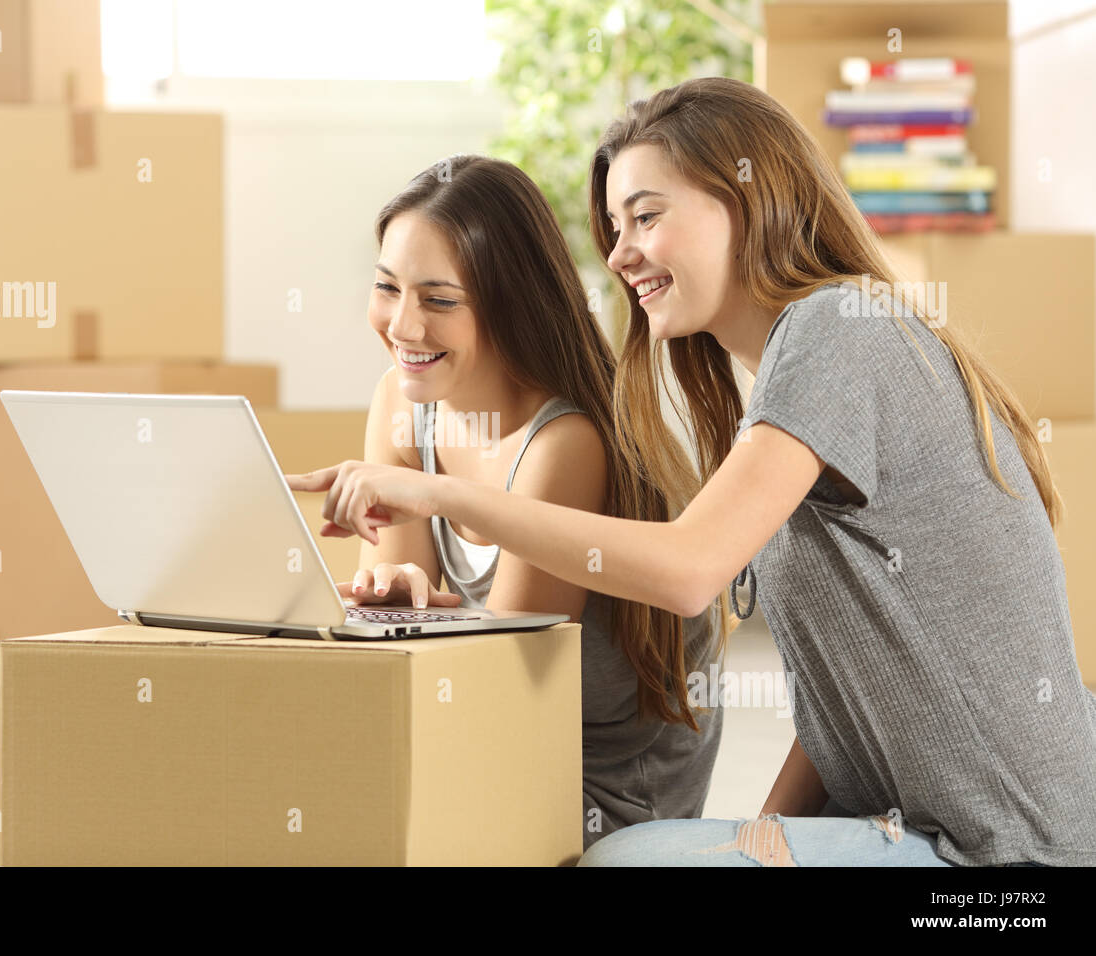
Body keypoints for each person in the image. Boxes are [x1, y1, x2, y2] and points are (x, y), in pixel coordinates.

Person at [288, 77, 1096, 867]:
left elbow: (687, 572)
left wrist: (433, 491)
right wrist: (760, 836)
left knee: (625, 861)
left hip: (1006, 857)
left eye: (646, 216)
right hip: (918, 829)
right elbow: (842, 701)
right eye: (612, 226)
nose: (619, 252)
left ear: (750, 203)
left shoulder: (840, 332)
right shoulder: (786, 375)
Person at [338, 154, 727, 851]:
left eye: (439, 299)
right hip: (486, 746)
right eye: (386, 288)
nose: (402, 325)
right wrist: (401, 595)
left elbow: (496, 695)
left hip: (595, 788)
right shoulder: (401, 402)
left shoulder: (564, 444)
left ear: (509, 305)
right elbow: (407, 626)